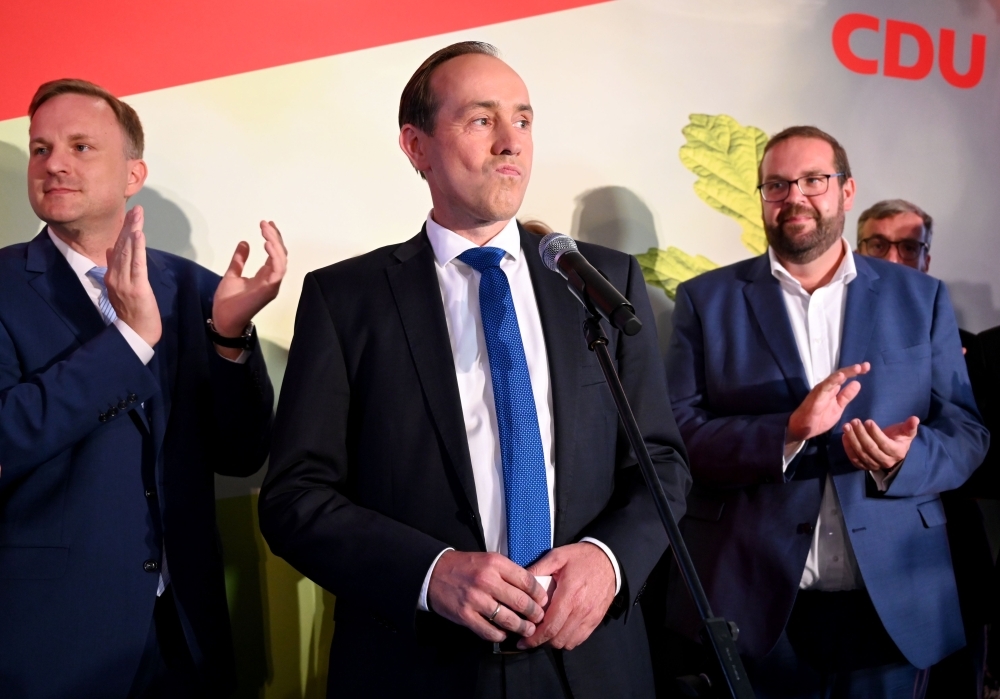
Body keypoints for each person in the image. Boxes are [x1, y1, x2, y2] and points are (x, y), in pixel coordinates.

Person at [258, 41, 690, 698]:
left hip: (592, 658)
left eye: (522, 119)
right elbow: (294, 499)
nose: (511, 142)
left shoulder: (597, 282)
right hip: (420, 664)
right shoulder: (347, 300)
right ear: (417, 145)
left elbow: (661, 463)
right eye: (482, 120)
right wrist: (431, 572)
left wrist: (609, 562)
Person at [662, 125, 988, 699]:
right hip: (756, 606)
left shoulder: (922, 298)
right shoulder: (705, 300)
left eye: (814, 180)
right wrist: (786, 433)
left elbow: (965, 431)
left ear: (846, 190)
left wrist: (905, 458)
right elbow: (676, 437)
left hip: (894, 603)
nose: (795, 197)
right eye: (777, 185)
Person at [0, 79, 286, 698]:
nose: (54, 165)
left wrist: (230, 340)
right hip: (51, 645)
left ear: (134, 173)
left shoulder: (197, 289)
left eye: (81, 146)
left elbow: (242, 454)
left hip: (185, 636)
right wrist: (127, 344)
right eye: (41, 148)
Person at [856, 198, 999, 698]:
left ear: (927, 260)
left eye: (910, 247)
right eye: (878, 244)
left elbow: (986, 454)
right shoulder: (831, 351)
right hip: (855, 574)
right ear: (856, 251)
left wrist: (921, 455)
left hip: (951, 567)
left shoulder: (971, 350)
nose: (894, 259)